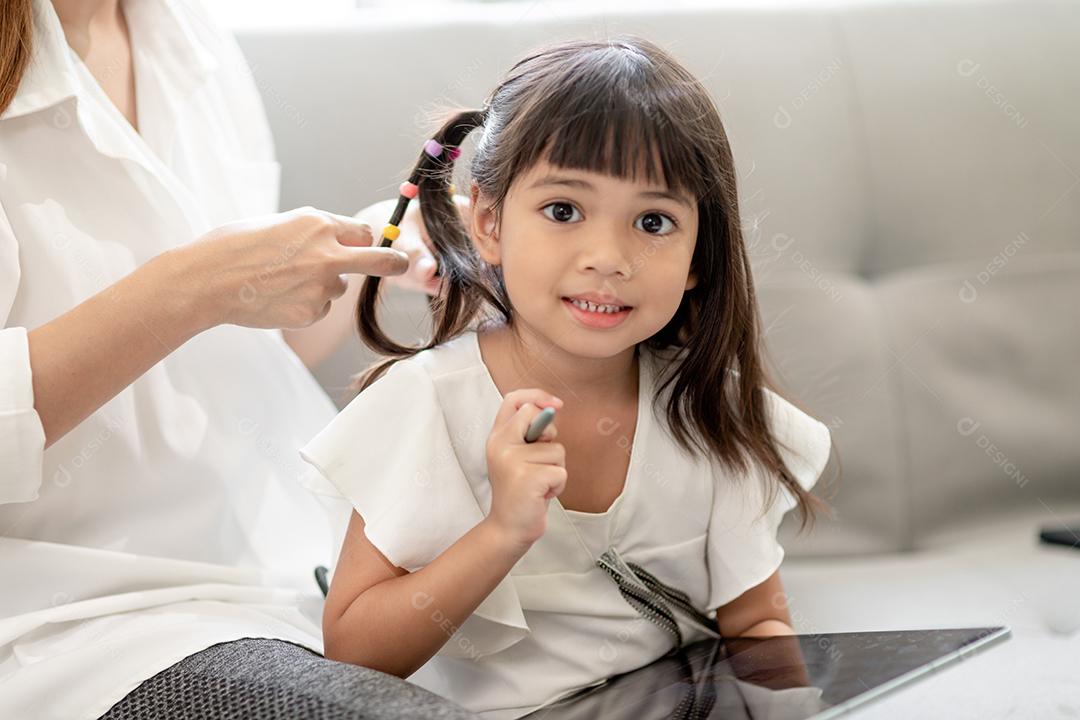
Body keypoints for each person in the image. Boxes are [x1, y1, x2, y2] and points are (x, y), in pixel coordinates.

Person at [298, 37, 833, 719]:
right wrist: (501, 533)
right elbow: (354, 653)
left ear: (700, 255)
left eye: (652, 221)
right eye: (563, 211)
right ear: (488, 223)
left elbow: (756, 627)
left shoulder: (706, 410)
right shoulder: (426, 405)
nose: (607, 258)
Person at [0, 1, 469, 718]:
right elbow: (197, 302)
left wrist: (363, 254)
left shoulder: (185, 37)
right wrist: (195, 284)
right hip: (91, 626)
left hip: (302, 569)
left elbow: (241, 358)